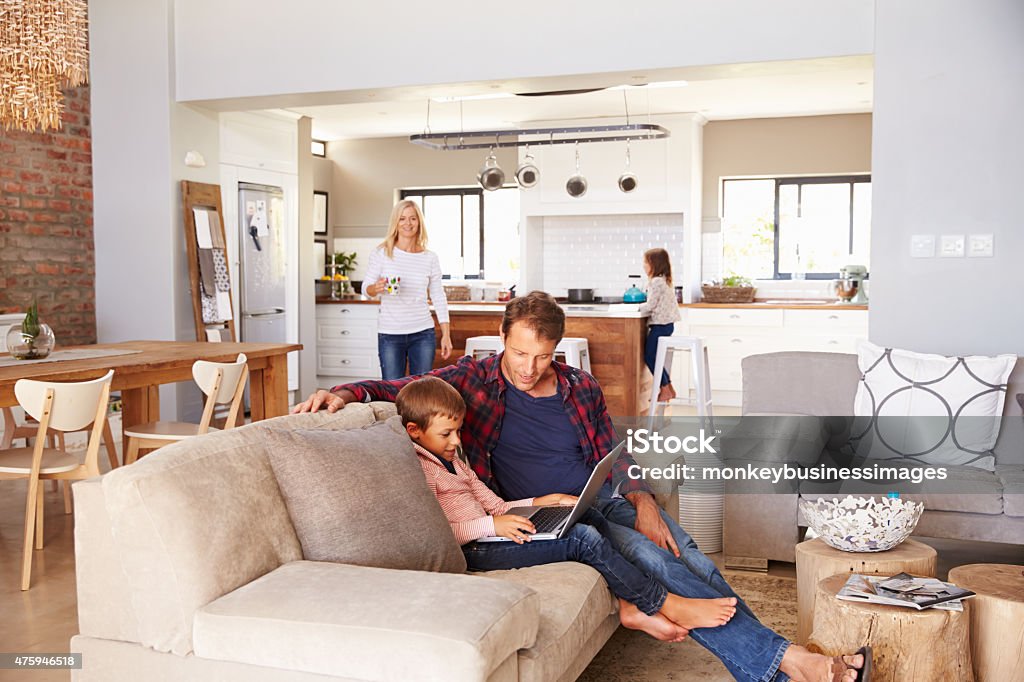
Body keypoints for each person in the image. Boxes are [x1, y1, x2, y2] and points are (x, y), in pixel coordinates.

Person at [294, 291, 870, 682]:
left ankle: (781, 663)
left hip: (603, 501)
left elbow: (612, 456)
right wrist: (345, 392)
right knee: (661, 565)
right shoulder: (473, 379)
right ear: (502, 339)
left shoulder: (579, 387)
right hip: (552, 516)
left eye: (541, 357)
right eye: (519, 353)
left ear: (557, 351)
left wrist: (641, 499)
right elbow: (401, 386)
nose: (527, 368)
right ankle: (798, 664)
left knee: (688, 555)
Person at [395, 375, 739, 643]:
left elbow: (496, 506)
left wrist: (540, 503)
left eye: (458, 431)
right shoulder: (421, 469)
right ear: (414, 431)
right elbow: (439, 534)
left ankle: (630, 606)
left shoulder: (453, 460)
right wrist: (490, 527)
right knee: (583, 540)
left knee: (586, 512)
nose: (456, 441)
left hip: (494, 534)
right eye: (447, 433)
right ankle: (660, 603)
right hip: (476, 550)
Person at [362, 199, 452, 379]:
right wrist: (375, 288)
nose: (407, 223)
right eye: (402, 219)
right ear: (395, 222)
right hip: (390, 334)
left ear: (419, 222)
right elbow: (365, 289)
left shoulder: (430, 258)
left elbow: (438, 296)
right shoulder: (381, 253)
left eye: (413, 218)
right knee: (391, 392)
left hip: (423, 333)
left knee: (421, 393)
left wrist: (446, 334)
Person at [639, 247, 681, 403]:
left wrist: (636, 308)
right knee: (653, 356)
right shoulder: (664, 280)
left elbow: (650, 305)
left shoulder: (656, 282)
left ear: (653, 264)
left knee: (650, 357)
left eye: (645, 262)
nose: (644, 265)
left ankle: (664, 388)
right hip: (666, 325)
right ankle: (668, 388)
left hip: (660, 326)